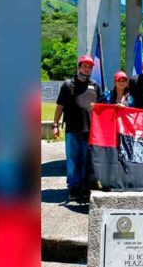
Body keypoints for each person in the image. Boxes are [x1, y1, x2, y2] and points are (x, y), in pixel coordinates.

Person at [51, 55, 102, 201]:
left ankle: (85, 188)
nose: (87, 69)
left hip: (90, 131)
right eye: (85, 66)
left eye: (90, 66)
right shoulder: (68, 85)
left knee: (87, 161)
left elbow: (99, 108)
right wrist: (55, 125)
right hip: (72, 129)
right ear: (79, 67)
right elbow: (60, 106)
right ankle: (73, 188)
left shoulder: (95, 85)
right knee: (73, 160)